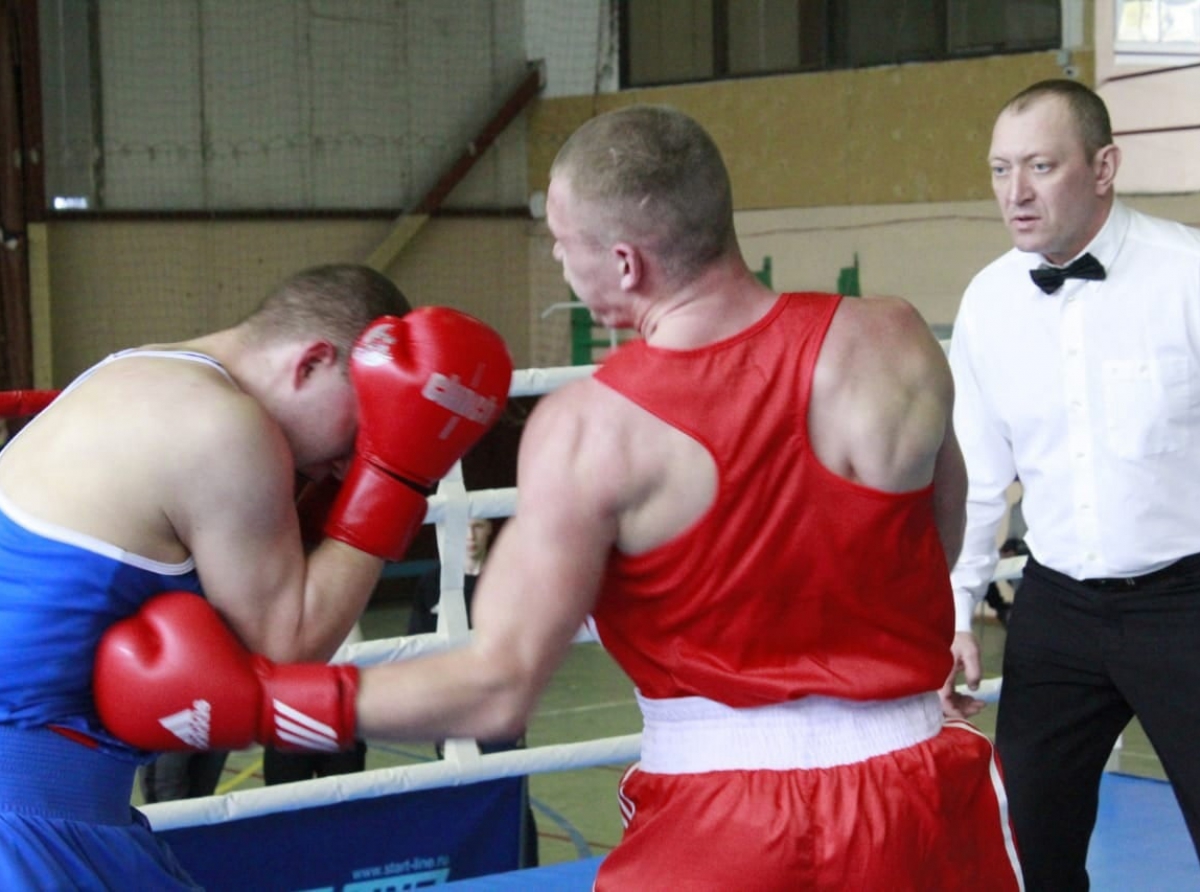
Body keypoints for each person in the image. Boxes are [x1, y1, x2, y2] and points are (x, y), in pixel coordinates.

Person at [95, 106, 1022, 889]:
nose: (560, 261)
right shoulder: (895, 337)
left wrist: (274, 703)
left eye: (562, 242)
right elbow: (937, 537)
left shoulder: (591, 426)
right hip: (923, 792)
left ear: (623, 264)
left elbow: (498, 688)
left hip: (729, 821)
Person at [0, 262, 512, 889]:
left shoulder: (138, 369)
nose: (355, 458)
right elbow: (288, 647)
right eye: (363, 424)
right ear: (312, 362)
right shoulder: (223, 426)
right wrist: (396, 478)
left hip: (55, 807)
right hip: (26, 818)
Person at [943, 78, 1200, 890]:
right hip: (1057, 609)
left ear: (1104, 166)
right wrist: (952, 613)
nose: (1015, 193)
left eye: (1042, 166)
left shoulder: (1188, 275)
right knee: (1030, 848)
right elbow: (978, 480)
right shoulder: (988, 302)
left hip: (1187, 601)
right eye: (999, 169)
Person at [409, 517, 540, 869]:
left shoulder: (508, 580)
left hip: (498, 712)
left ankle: (525, 878)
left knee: (510, 798)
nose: (469, 536)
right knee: (458, 800)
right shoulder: (433, 584)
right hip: (453, 714)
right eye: (462, 526)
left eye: (478, 526)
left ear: (490, 530)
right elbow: (417, 652)